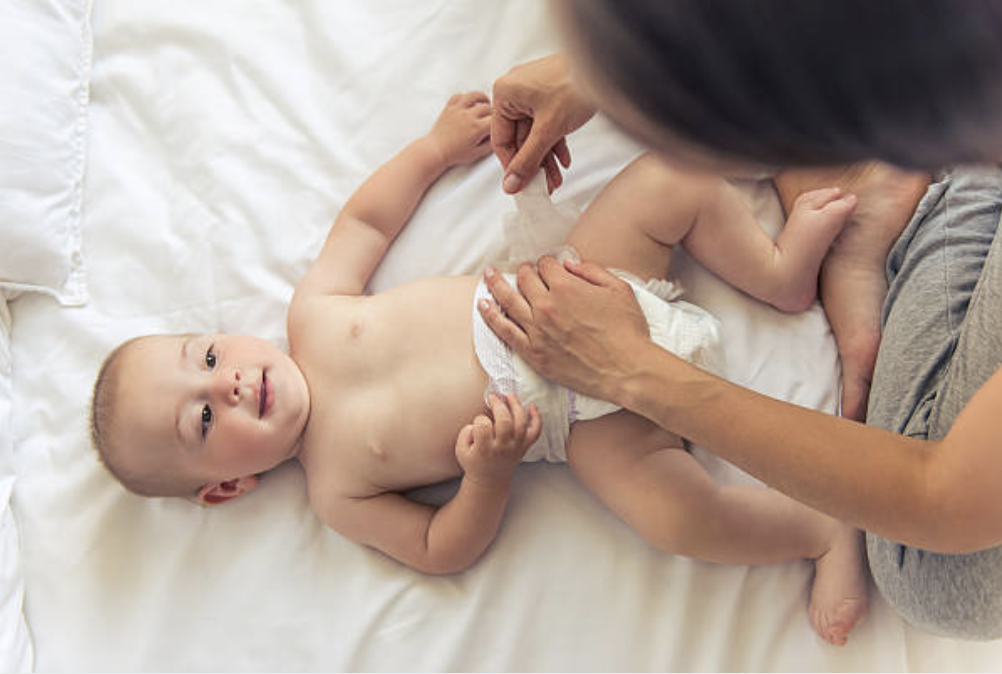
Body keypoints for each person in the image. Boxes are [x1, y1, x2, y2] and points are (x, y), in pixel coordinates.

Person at [90, 93, 870, 646]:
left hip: (577, 281)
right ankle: (819, 532)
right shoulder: (337, 489)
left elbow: (366, 220)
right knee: (677, 520)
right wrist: (487, 476)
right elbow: (439, 548)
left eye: (209, 356)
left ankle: (777, 272)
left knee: (671, 177)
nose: (224, 385)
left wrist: (430, 152)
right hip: (583, 423)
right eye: (202, 420)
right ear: (226, 488)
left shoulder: (315, 315)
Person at [481, 1, 1002, 640]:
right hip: (576, 365)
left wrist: (635, 372)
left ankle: (819, 528)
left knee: (929, 574)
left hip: (592, 339)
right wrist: (611, 67)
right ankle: (861, 187)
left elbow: (944, 499)